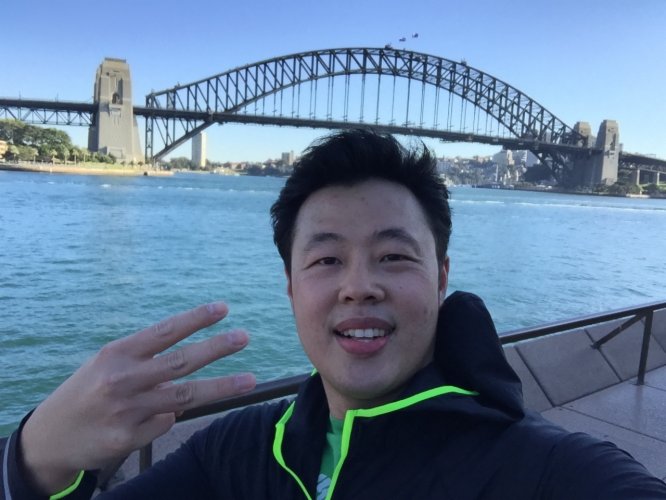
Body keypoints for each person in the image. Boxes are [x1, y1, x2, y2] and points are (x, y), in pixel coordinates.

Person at [2, 130, 665, 499]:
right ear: (290, 288)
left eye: (393, 256)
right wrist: (33, 464)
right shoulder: (234, 453)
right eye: (325, 260)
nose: (358, 287)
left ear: (441, 279)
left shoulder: (545, 472)